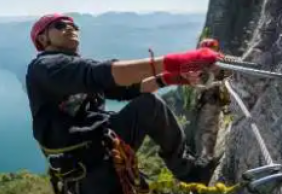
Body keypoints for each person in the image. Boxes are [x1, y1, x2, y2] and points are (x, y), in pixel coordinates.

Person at [25, 13, 223, 194]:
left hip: (100, 148)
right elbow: (105, 73)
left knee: (149, 105)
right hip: (87, 163)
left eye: (74, 26)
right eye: (59, 25)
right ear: (43, 38)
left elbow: (130, 89)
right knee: (149, 105)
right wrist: (178, 61)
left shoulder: (73, 67)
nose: (70, 28)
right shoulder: (45, 67)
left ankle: (190, 172)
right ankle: (189, 172)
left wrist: (171, 78)